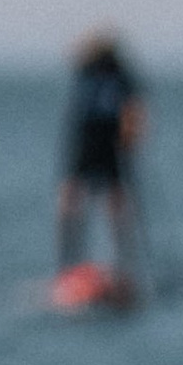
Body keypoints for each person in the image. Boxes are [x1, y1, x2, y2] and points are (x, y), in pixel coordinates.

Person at [54, 31, 145, 284]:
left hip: (111, 144)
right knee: (71, 199)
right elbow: (71, 53)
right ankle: (68, 263)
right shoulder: (85, 71)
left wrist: (131, 139)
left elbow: (135, 110)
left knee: (115, 202)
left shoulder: (121, 75)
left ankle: (123, 264)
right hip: (84, 142)